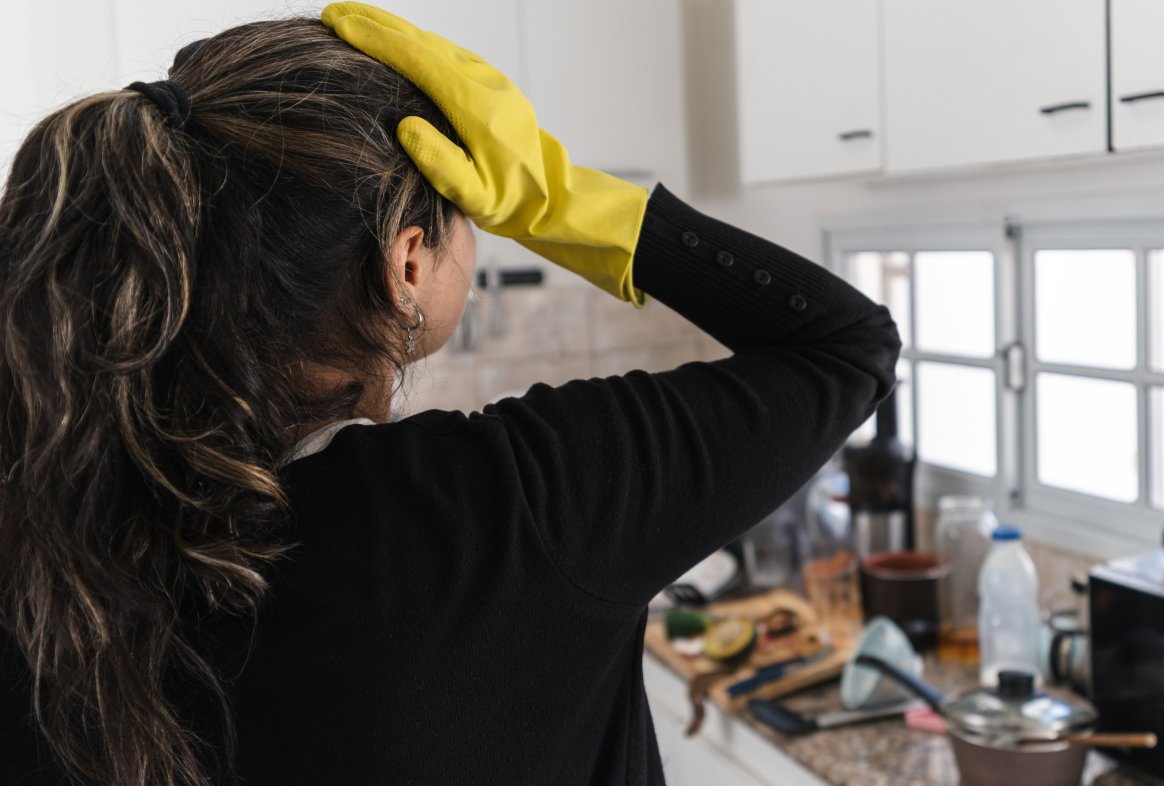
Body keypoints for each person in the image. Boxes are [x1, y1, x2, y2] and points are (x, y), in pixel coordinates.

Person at [0, 4, 901, 785]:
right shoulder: (515, 506)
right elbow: (845, 346)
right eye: (467, 214)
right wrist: (561, 199)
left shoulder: (44, 509)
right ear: (407, 261)